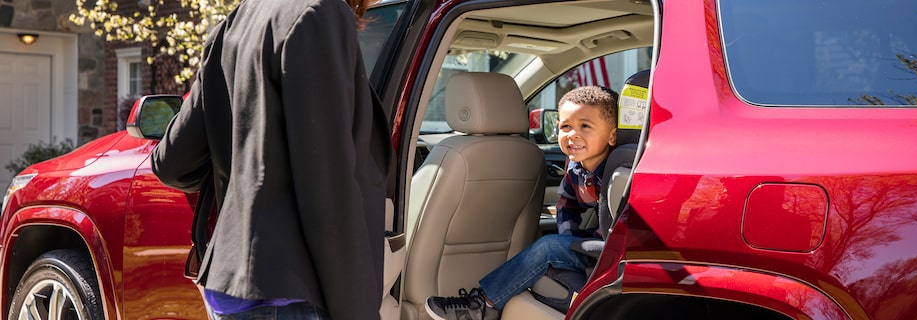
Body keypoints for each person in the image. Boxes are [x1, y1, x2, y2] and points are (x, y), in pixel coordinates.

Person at [150, 0, 391, 319]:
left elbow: (172, 163)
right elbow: (328, 190)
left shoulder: (237, 20)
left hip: (229, 289)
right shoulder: (319, 14)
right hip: (291, 296)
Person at [424, 86, 620, 320]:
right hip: (596, 242)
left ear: (612, 136)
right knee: (554, 244)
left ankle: (481, 305)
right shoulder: (575, 167)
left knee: (549, 247)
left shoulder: (616, 172)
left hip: (611, 249)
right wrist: (568, 239)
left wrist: (564, 245)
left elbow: (613, 226)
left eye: (585, 126)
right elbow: (567, 204)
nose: (573, 134)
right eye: (565, 126)